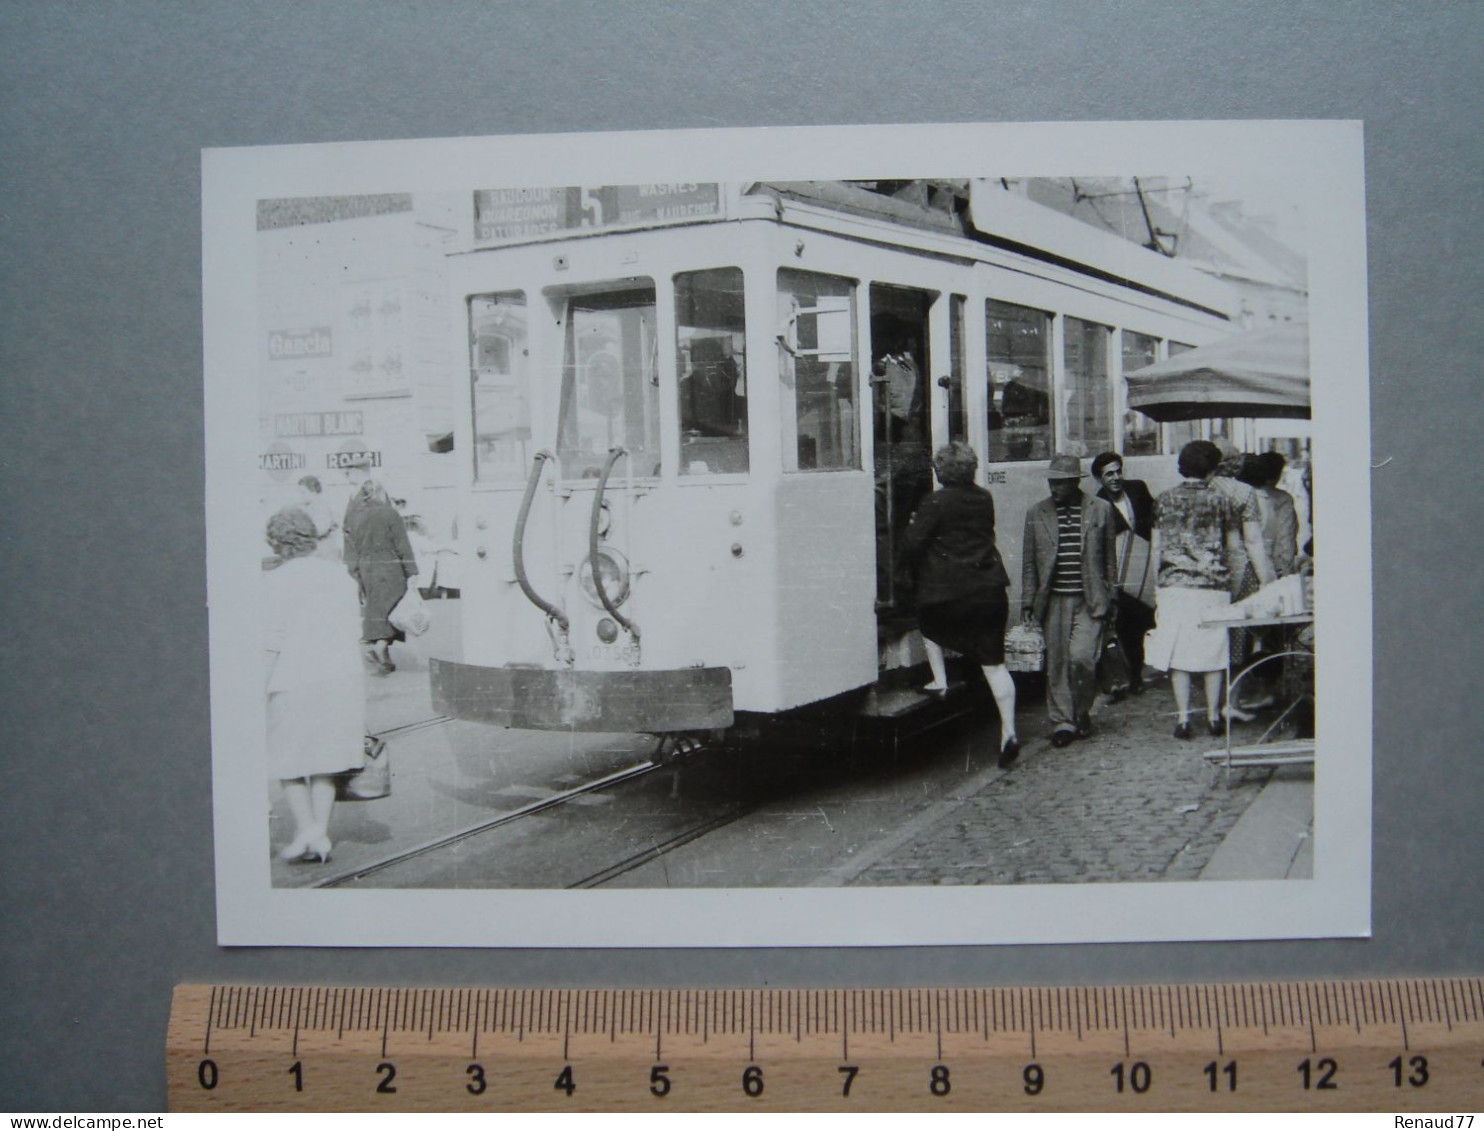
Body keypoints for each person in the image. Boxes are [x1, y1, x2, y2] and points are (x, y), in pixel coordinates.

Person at [1146, 440, 1277, 739]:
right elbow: (1233, 548)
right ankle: (1213, 716)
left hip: (1174, 586)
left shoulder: (1163, 500)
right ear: (1212, 469)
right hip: (1212, 587)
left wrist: (1158, 584)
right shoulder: (1223, 501)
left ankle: (1182, 719)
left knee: (1177, 652)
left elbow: (1157, 548)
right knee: (1214, 652)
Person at [900, 442, 1020, 767]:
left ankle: (939, 680)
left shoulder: (935, 501)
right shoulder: (984, 497)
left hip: (950, 596)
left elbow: (912, 544)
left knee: (928, 625)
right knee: (994, 665)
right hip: (991, 590)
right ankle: (1009, 731)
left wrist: (913, 524)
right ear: (972, 468)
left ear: (939, 471)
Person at [263, 506, 364, 864]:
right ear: (310, 539)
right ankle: (318, 833)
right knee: (325, 759)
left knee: (288, 760)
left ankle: (308, 830)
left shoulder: (274, 583)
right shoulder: (341, 578)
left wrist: (257, 688)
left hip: (294, 680)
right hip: (341, 679)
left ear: (276, 544)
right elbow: (355, 631)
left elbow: (271, 642)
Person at [1020, 453, 1118, 747]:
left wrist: (1112, 597)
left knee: (1082, 659)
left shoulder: (1100, 509)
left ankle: (1081, 711)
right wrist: (1027, 601)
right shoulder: (1036, 513)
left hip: (1090, 600)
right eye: (1052, 482)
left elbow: (1109, 559)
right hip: (1053, 601)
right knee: (1058, 662)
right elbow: (1028, 563)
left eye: (1061, 483)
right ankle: (1063, 722)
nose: (1054, 488)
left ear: (1075, 482)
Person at [342, 463, 418, 675]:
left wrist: (354, 572)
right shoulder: (389, 514)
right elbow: (402, 544)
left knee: (374, 606)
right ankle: (381, 646)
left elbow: (350, 546)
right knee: (393, 608)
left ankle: (376, 648)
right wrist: (412, 572)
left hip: (366, 566)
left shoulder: (355, 517)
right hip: (389, 564)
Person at [1092, 451, 1157, 696]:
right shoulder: (1098, 503)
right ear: (1099, 479)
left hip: (1147, 567)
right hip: (1122, 573)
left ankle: (1140, 670)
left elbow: (1154, 518)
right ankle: (1134, 675)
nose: (1116, 477)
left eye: (1118, 471)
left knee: (1147, 621)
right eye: (1109, 474)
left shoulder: (1138, 489)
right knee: (1129, 627)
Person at [1242, 450, 1301, 578]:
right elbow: (1285, 538)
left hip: (1243, 566)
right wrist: (1285, 572)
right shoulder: (1283, 499)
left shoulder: (1241, 495)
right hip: (1271, 567)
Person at [295, 475, 340, 559]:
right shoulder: (310, 507)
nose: (301, 496)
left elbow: (320, 530)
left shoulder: (321, 507)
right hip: (317, 551)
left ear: (313, 492)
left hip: (324, 551)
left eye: (303, 492)